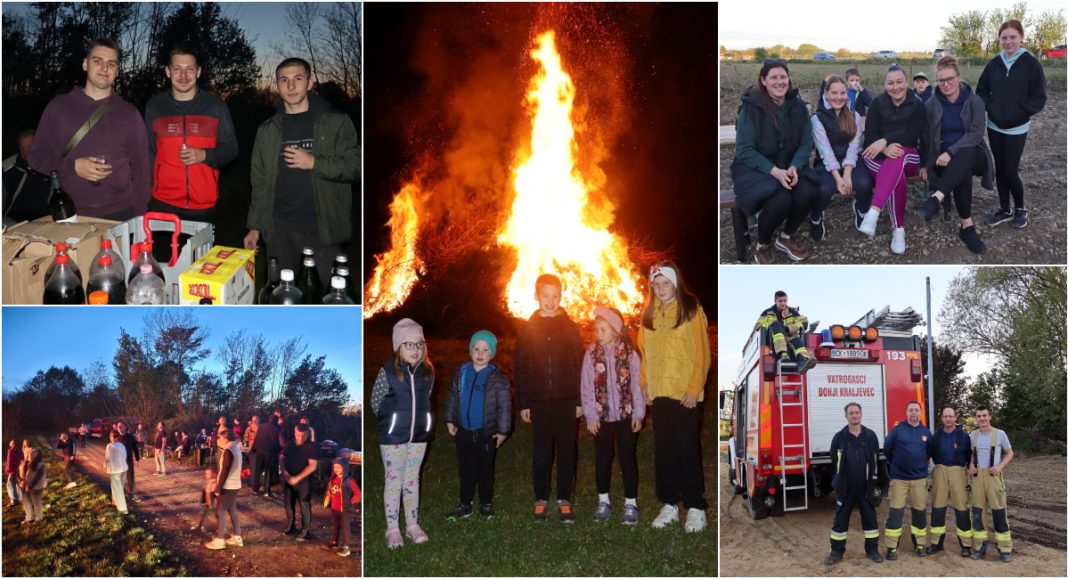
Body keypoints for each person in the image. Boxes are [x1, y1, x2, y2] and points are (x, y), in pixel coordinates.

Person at [243, 57, 359, 287]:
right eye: (284, 80)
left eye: (298, 79)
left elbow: (356, 165)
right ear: (277, 85)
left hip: (322, 230)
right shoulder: (267, 130)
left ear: (310, 83)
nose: (291, 86)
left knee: (327, 296)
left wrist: (315, 162)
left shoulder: (336, 122)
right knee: (279, 296)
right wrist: (255, 227)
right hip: (279, 230)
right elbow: (259, 182)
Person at [28, 38, 149, 220]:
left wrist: (141, 215)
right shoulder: (58, 107)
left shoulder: (129, 113)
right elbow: (36, 157)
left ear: (117, 70)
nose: (105, 68)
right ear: (85, 64)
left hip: (122, 212)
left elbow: (142, 169)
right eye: (97, 61)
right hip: (70, 212)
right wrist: (73, 166)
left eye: (111, 63)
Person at [637, 262, 712, 532]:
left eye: (664, 283)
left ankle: (695, 506)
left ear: (675, 283)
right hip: (660, 394)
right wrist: (644, 383)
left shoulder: (691, 310)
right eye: (655, 285)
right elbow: (645, 353)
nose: (660, 288)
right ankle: (669, 503)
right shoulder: (648, 315)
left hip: (684, 395)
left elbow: (702, 354)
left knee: (686, 450)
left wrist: (694, 389)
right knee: (664, 451)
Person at [514, 274, 584, 523]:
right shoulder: (526, 329)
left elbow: (579, 365)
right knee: (542, 451)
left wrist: (579, 400)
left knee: (567, 451)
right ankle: (541, 497)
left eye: (556, 296)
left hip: (566, 401)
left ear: (561, 297)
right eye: (546, 296)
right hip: (539, 401)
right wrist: (523, 401)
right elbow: (521, 367)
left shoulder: (571, 328)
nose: (551, 301)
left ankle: (564, 498)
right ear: (536, 296)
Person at [145, 46, 238, 223]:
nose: (183, 75)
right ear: (167, 71)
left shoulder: (216, 106)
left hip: (203, 204)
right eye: (177, 69)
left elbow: (231, 149)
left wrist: (205, 155)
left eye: (190, 69)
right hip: (163, 203)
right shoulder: (155, 106)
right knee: (161, 252)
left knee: (201, 253)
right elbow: (149, 152)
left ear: (199, 71)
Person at [917, 56, 995, 254]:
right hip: (942, 158)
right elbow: (925, 137)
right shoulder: (931, 105)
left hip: (973, 153)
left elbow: (975, 134)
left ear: (958, 77)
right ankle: (967, 227)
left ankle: (937, 197)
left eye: (950, 79)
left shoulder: (975, 101)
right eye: (941, 80)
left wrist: (951, 152)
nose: (946, 84)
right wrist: (925, 164)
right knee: (962, 172)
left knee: (965, 153)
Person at [370, 318, 434, 548]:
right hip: (393, 438)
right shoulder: (388, 372)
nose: (415, 349)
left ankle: (412, 525)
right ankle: (393, 528)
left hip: (418, 436)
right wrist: (392, 422)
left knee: (412, 479)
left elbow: (426, 400)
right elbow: (375, 402)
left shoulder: (428, 373)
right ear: (398, 346)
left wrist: (422, 423)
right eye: (408, 344)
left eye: (419, 343)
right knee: (394, 480)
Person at [978, 19, 1047, 230]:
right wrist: (991, 107)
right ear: (1000, 39)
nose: (1008, 42)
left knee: (1010, 170)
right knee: (1000, 170)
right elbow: (981, 91)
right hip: (995, 126)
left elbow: (1039, 97)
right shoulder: (994, 63)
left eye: (1013, 37)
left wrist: (1021, 112)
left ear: (1021, 38)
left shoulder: (1031, 63)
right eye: (1004, 38)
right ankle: (1005, 209)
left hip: (1017, 128)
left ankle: (1020, 208)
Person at [581, 307, 644, 524]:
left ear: (615, 330)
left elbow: (637, 385)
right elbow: (586, 387)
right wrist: (590, 416)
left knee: (627, 458)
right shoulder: (591, 354)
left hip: (626, 416)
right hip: (602, 417)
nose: (598, 333)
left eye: (603, 329)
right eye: (596, 329)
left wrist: (638, 412)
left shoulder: (629, 353)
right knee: (603, 458)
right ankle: (603, 500)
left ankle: (630, 503)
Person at [856, 64, 927, 255]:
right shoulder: (877, 104)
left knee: (898, 154)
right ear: (885, 85)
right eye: (890, 83)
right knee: (898, 177)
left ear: (906, 82)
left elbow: (913, 135)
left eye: (899, 82)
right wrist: (883, 147)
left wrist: (887, 142)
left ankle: (874, 211)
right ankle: (899, 229)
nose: (895, 87)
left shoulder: (917, 104)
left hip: (907, 155)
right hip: (876, 156)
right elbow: (870, 136)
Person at [444, 330, 512, 521]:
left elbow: (505, 406)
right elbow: (452, 396)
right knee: (466, 469)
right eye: (476, 349)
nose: (480, 353)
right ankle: (465, 503)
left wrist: (503, 431)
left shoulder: (497, 378)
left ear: (492, 354)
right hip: (464, 432)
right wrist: (451, 419)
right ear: (470, 351)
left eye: (485, 350)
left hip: (485, 433)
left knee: (485, 469)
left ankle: (486, 502)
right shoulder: (462, 372)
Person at [804, 74, 874, 241]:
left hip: (850, 161)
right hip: (827, 164)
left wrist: (847, 173)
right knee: (824, 188)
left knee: (864, 182)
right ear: (826, 93)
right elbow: (825, 151)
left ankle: (861, 208)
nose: (839, 97)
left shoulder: (854, 115)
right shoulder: (817, 119)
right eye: (834, 93)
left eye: (843, 93)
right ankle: (816, 217)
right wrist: (838, 177)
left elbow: (854, 146)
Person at [825, 402, 883, 565]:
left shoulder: (870, 436)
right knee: (840, 520)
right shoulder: (839, 437)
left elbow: (875, 459)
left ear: (861, 414)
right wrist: (841, 481)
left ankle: (872, 550)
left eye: (857, 412)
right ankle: (836, 551)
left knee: (870, 519)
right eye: (851, 413)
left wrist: (871, 480)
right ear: (846, 416)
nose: (854, 415)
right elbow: (834, 459)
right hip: (845, 487)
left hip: (865, 487)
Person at [882, 401, 933, 560]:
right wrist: (897, 463)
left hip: (919, 479)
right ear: (906, 413)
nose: (913, 413)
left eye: (916, 410)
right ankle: (891, 548)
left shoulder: (926, 432)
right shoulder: (897, 430)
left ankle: (919, 545)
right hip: (899, 480)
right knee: (896, 513)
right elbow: (887, 449)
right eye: (911, 410)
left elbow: (930, 452)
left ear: (920, 413)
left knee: (919, 513)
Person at [968, 406, 1015, 562]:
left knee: (999, 512)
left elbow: (1010, 453)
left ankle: (1005, 549)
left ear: (990, 417)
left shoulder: (999, 434)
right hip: (977, 478)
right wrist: (970, 465)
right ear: (976, 418)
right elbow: (971, 456)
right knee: (977, 514)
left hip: (993, 477)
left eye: (984, 415)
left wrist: (1000, 466)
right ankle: (980, 548)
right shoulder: (972, 435)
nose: (982, 418)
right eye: (979, 416)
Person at [927, 407, 972, 556]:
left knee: (962, 509)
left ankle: (966, 546)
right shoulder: (936, 436)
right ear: (941, 418)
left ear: (955, 418)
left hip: (958, 472)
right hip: (940, 472)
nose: (948, 419)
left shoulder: (964, 436)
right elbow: (930, 453)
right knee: (938, 508)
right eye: (945, 416)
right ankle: (936, 543)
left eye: (950, 416)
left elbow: (969, 455)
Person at [755, 290, 816, 372]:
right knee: (775, 324)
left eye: (785, 301)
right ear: (775, 301)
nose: (783, 303)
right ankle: (783, 355)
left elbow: (804, 323)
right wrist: (770, 326)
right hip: (773, 338)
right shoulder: (767, 312)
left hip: (789, 335)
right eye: (780, 301)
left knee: (797, 341)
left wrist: (789, 328)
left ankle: (803, 362)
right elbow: (758, 326)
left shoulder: (791, 312)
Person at [205, 428, 244, 550]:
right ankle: (237, 538)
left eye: (220, 438)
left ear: (225, 438)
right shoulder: (236, 449)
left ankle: (220, 540)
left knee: (220, 511)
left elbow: (224, 471)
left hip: (228, 486)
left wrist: (218, 488)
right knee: (232, 510)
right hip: (235, 484)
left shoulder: (228, 451)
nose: (219, 440)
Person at [280, 423, 319, 542]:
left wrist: (297, 478)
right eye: (298, 435)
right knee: (288, 504)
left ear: (308, 434)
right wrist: (285, 473)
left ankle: (305, 530)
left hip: (303, 482)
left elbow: (313, 466)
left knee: (304, 505)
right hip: (288, 479)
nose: (300, 438)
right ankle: (291, 526)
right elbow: (282, 457)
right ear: (294, 432)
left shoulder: (311, 446)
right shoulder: (290, 444)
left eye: (303, 435)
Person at [2, 129, 50, 224]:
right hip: (15, 219)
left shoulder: (51, 164)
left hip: (46, 218)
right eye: (22, 148)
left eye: (29, 147)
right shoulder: (8, 167)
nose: (25, 152)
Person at [323, 455, 360, 557]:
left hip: (345, 509)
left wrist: (350, 502)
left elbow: (358, 494)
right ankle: (334, 542)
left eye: (339, 467)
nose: (336, 469)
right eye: (335, 467)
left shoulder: (349, 481)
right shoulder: (333, 479)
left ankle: (346, 547)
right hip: (334, 508)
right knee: (336, 526)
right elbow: (329, 492)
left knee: (345, 527)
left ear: (345, 468)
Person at [251, 413, 281, 497]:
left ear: (269, 419)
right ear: (276, 420)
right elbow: (277, 441)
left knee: (258, 471)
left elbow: (256, 438)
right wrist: (278, 451)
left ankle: (255, 489)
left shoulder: (261, 426)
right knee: (268, 472)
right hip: (270, 453)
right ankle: (266, 491)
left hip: (259, 452)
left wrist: (253, 449)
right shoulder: (276, 428)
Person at [104, 430, 129, 514]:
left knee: (116, 489)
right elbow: (125, 456)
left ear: (112, 437)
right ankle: (115, 502)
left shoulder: (109, 446)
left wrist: (105, 466)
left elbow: (107, 458)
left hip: (115, 470)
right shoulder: (122, 445)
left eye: (111, 436)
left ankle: (120, 508)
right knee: (120, 487)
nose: (110, 437)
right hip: (123, 469)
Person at [20, 448, 47, 524]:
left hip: (36, 487)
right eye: (31, 452)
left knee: (36, 503)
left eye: (33, 453)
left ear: (37, 455)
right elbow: (24, 473)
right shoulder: (28, 462)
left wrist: (30, 486)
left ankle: (38, 519)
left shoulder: (40, 464)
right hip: (27, 485)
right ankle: (29, 517)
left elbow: (38, 477)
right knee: (26, 501)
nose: (31, 453)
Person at [191, 466, 218, 532]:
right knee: (205, 514)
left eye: (208, 474)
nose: (206, 475)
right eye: (206, 473)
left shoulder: (212, 483)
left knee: (214, 514)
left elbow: (208, 494)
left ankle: (221, 527)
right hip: (209, 502)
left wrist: (209, 503)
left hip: (210, 502)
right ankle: (200, 526)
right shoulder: (212, 482)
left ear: (213, 474)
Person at [6, 440, 23, 507]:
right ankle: (20, 498)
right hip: (19, 470)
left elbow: (9, 462)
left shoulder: (11, 451)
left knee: (10, 485)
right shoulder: (19, 451)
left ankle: (14, 501)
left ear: (12, 444)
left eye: (11, 442)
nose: (9, 442)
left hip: (13, 471)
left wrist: (10, 471)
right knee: (18, 484)